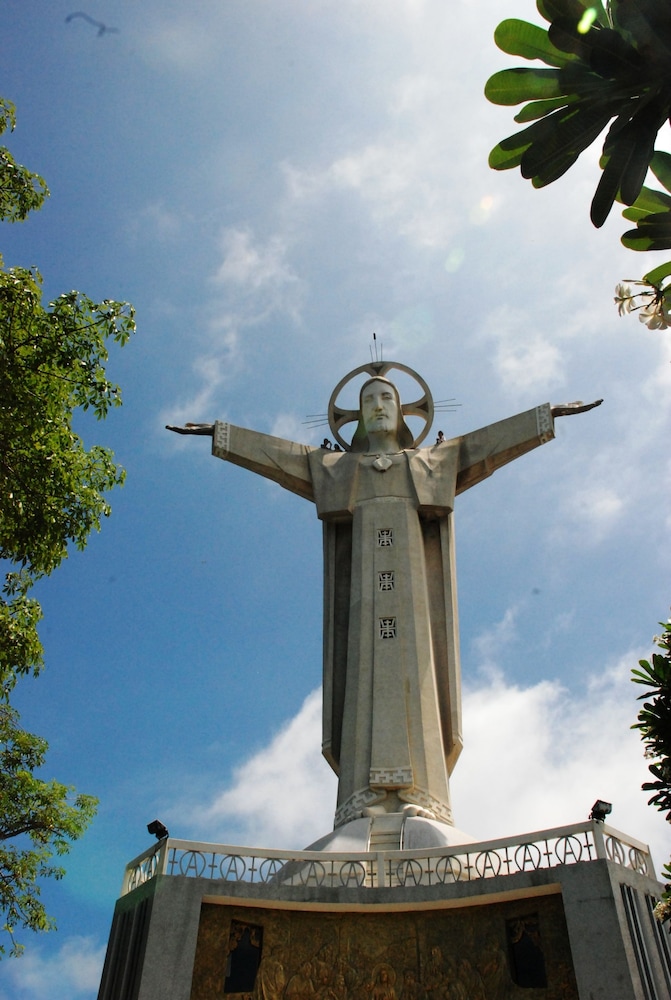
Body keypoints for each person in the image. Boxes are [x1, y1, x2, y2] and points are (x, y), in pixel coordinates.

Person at [167, 370, 600, 829]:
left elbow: (485, 446)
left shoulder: (430, 462)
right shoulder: (337, 468)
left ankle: (422, 795)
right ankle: (363, 798)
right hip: (364, 601)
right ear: (355, 415)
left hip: (412, 601)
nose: (377, 406)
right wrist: (222, 435)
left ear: (403, 411)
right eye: (368, 399)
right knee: (364, 677)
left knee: (415, 675)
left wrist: (543, 417)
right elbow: (277, 455)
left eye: (386, 398)